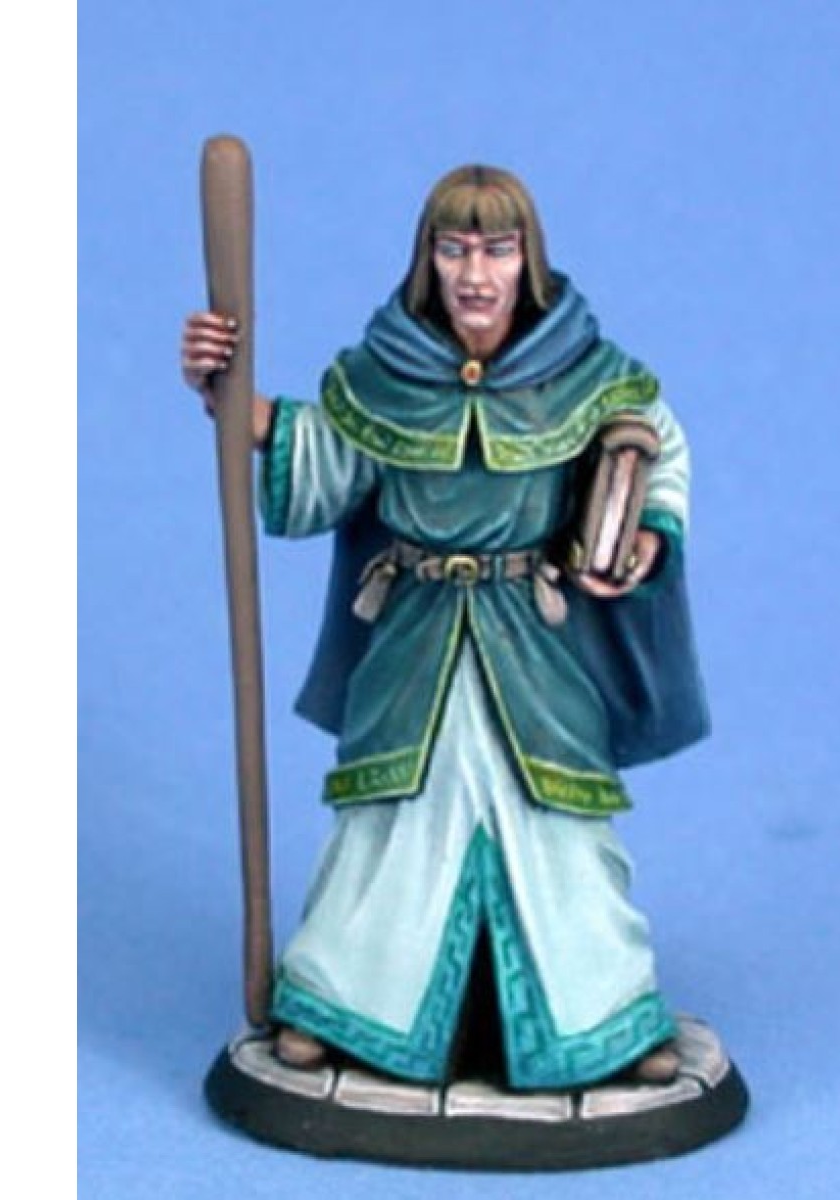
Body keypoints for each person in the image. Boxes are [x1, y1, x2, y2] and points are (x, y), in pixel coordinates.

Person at [181, 165, 709, 1091]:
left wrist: (645, 532)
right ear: (427, 259)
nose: (474, 273)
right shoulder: (386, 375)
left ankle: (601, 1023)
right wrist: (228, 393)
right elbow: (320, 468)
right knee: (391, 826)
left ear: (526, 260)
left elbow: (654, 445)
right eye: (454, 249)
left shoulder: (585, 374)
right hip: (416, 644)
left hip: (533, 648)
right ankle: (345, 1007)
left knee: (561, 831)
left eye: (496, 250)